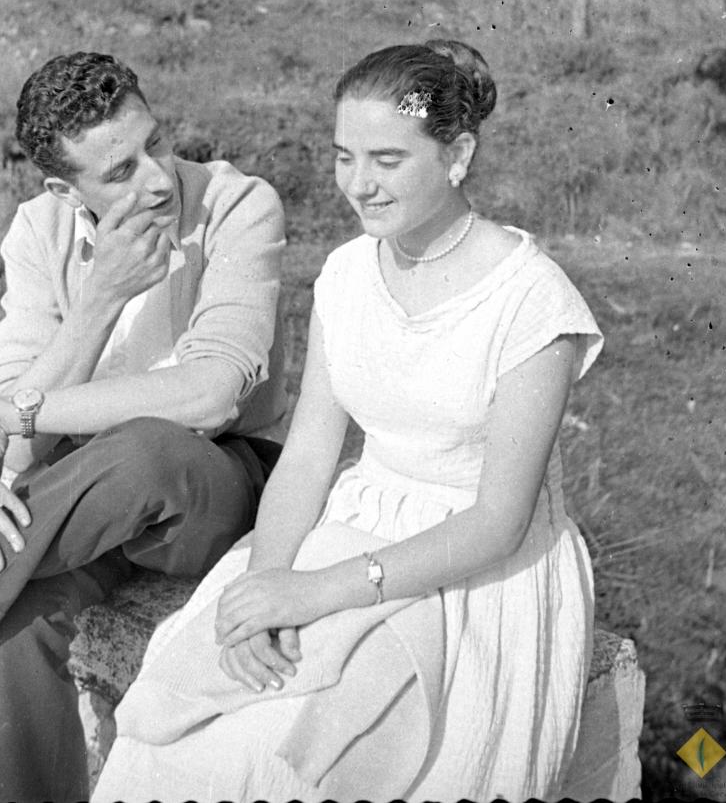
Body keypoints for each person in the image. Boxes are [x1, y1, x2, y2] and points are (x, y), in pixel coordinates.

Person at [93, 39, 603, 803]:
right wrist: (265, 586)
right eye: (343, 157)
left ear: (457, 153)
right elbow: (306, 456)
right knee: (171, 725)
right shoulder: (347, 272)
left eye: (388, 160)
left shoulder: (531, 301)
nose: (359, 185)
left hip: (468, 568)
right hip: (355, 521)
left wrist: (318, 593)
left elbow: (499, 520)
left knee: (289, 752)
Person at [0, 51, 286, 803]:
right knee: (15, 634)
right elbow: (19, 448)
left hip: (210, 485)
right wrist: (98, 302)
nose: (157, 178)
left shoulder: (236, 204)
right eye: (120, 171)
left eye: (155, 143)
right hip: (89, 501)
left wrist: (20, 413)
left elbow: (211, 396)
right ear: (67, 191)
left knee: (146, 443)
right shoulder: (38, 231)